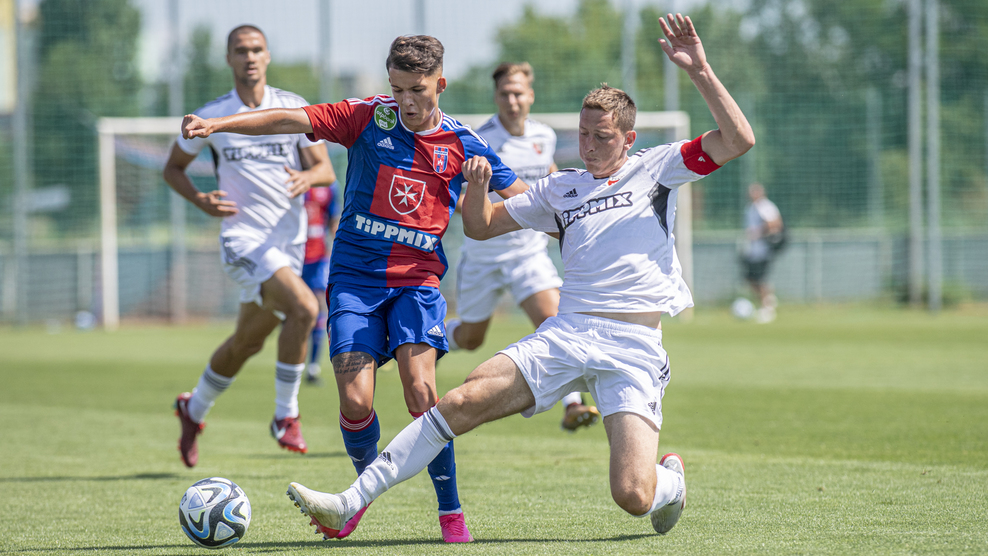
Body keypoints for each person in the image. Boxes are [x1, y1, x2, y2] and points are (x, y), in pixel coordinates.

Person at [284, 13, 754, 538]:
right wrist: (476, 187)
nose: (588, 146)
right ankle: (350, 501)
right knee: (462, 398)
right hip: (569, 332)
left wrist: (700, 70)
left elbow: (738, 140)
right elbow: (482, 226)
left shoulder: (658, 168)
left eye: (601, 137)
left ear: (628, 138)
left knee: (633, 495)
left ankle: (669, 483)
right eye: (582, 134)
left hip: (634, 346)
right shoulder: (561, 189)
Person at [180, 35, 528, 543]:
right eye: (397, 89)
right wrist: (218, 125)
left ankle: (451, 513)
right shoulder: (368, 116)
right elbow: (290, 119)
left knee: (422, 392)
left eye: (417, 90)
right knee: (356, 402)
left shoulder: (463, 143)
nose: (406, 101)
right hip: (355, 282)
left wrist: (575, 214)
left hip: (416, 282)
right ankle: (358, 499)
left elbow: (526, 198)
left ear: (441, 85)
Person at [163, 25, 336, 468]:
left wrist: (307, 177)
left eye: (257, 49)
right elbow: (173, 169)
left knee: (246, 342)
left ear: (268, 55)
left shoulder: (293, 107)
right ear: (229, 59)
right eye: (241, 50)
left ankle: (193, 408)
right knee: (305, 308)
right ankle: (285, 416)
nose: (250, 57)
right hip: (242, 239)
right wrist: (200, 200)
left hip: (288, 244)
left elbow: (325, 170)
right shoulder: (213, 116)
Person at [447, 61, 599, 432]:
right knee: (470, 339)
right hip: (484, 256)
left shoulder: (544, 136)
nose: (512, 101)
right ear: (496, 97)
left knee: (555, 321)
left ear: (530, 95)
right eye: (505, 94)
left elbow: (547, 178)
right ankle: (423, 338)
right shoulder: (479, 141)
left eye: (518, 93)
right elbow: (459, 196)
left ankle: (573, 405)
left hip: (528, 254)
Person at [301, 181, 341, 386]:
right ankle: (293, 363)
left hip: (317, 258)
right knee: (293, 312)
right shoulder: (292, 178)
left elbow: (333, 219)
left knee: (318, 309)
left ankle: (313, 367)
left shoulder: (329, 186)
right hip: (291, 256)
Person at [741, 182, 783, 323]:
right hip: (752, 249)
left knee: (761, 278)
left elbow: (775, 223)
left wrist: (758, 232)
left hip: (763, 249)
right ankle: (768, 300)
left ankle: (767, 307)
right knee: (750, 278)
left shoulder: (766, 206)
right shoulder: (750, 208)